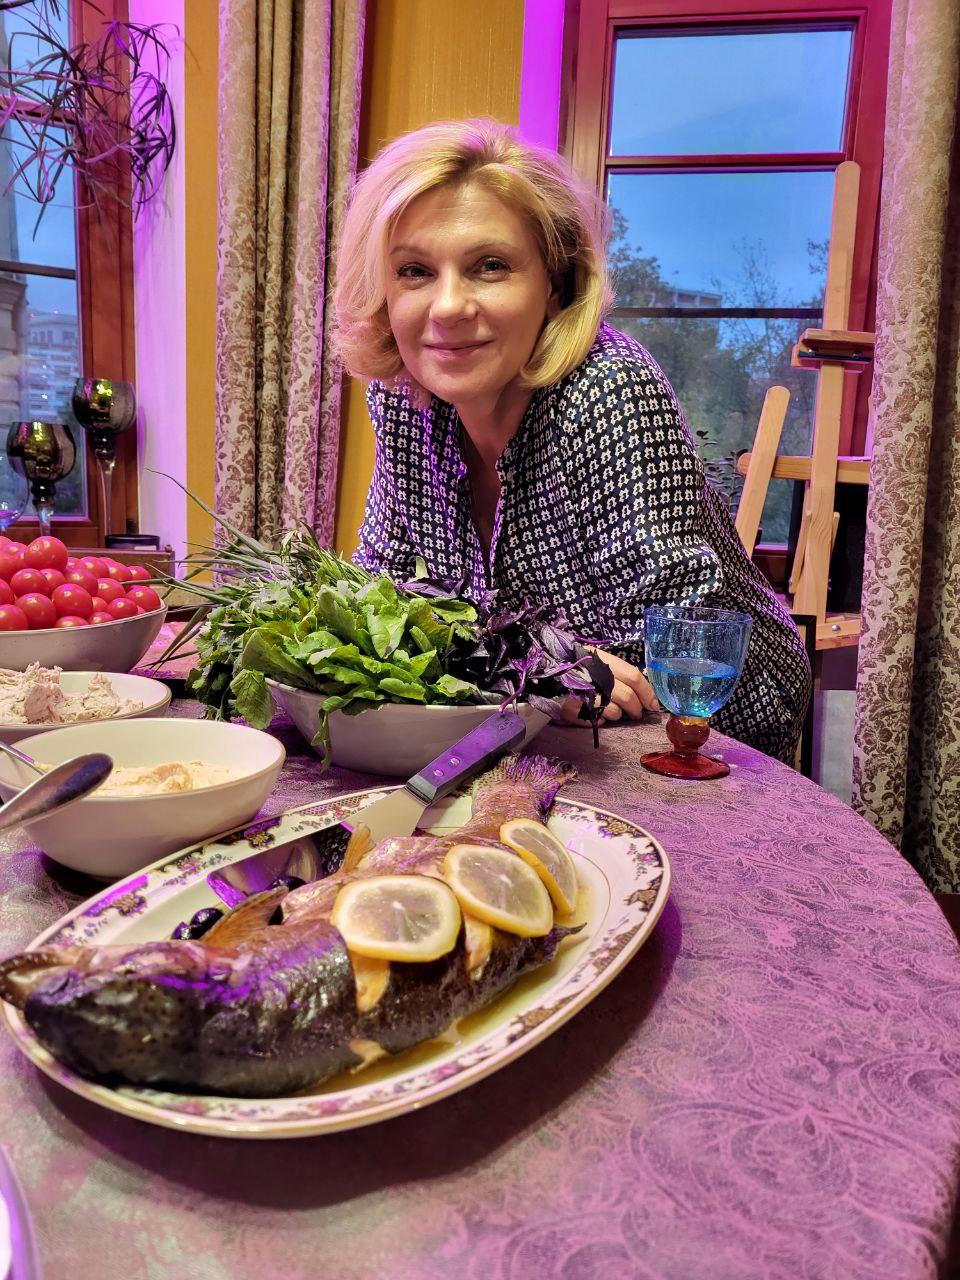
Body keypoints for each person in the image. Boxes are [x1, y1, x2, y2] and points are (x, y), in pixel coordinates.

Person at [332, 118, 811, 762]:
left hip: (719, 715)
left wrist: (537, 668)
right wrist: (538, 665)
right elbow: (383, 592)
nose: (447, 307)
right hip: (538, 720)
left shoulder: (610, 389)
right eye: (414, 271)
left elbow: (671, 645)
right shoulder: (402, 397)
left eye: (490, 266)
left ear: (556, 286)